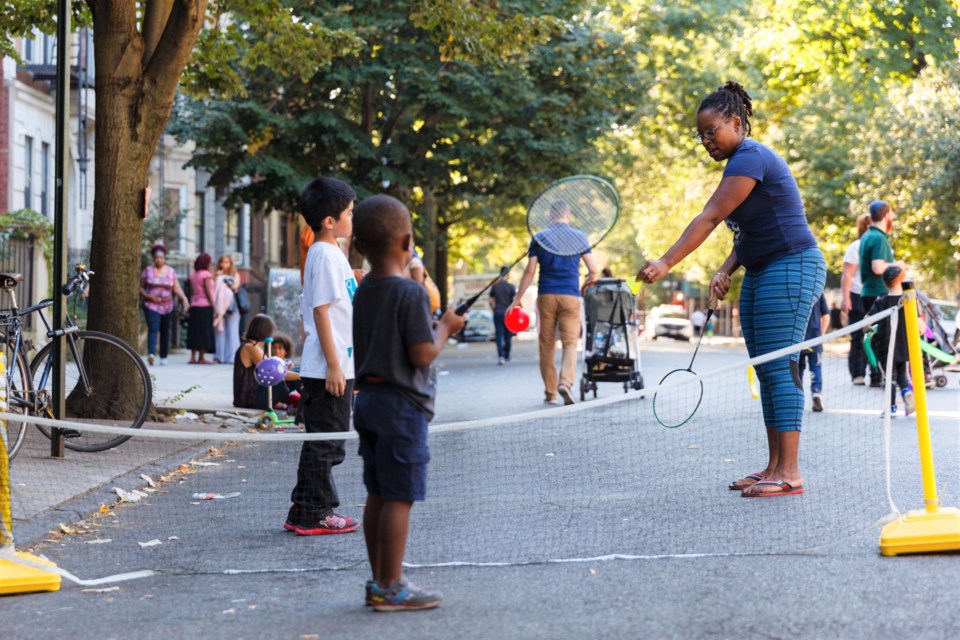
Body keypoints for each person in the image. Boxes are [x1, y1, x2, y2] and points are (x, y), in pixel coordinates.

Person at [637, 81, 825, 497]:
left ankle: (790, 472)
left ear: (736, 123)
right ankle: (773, 465)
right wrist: (725, 268)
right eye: (700, 134)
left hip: (792, 265)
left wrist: (666, 261)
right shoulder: (739, 163)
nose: (705, 140)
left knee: (780, 365)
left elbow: (709, 218)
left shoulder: (750, 156)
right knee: (765, 368)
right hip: (762, 268)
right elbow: (753, 229)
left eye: (711, 131)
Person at [350, 194, 466, 611]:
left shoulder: (364, 290)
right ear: (407, 242)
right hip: (402, 406)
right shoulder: (411, 293)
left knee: (378, 492)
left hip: (369, 401)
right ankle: (392, 587)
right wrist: (446, 327)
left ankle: (379, 581)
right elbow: (421, 353)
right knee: (400, 495)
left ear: (360, 246)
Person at [284, 176, 361, 536]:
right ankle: (317, 512)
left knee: (320, 439)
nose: (353, 217)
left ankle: (301, 508)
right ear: (329, 221)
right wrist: (334, 365)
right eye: (348, 212)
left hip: (333, 363)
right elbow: (321, 312)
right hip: (330, 366)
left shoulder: (328, 253)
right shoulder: (326, 254)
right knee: (328, 443)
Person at [510, 201, 597, 405]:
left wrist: (517, 299)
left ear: (550, 215)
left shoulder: (539, 237)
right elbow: (593, 269)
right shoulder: (579, 236)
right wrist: (583, 286)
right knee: (570, 343)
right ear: (567, 214)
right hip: (570, 294)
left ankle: (550, 392)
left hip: (546, 294)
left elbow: (530, 271)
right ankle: (565, 383)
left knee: (546, 345)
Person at [866, 266, 915, 418]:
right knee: (901, 373)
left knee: (889, 377)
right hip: (905, 344)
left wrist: (868, 329)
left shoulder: (881, 301)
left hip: (886, 345)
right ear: (902, 281)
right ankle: (906, 392)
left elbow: (867, 322)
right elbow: (919, 325)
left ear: (885, 283)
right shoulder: (909, 301)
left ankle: (891, 407)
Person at [233, 314, 300, 410]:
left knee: (297, 370)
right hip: (251, 399)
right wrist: (301, 375)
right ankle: (309, 410)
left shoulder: (250, 346)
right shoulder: (251, 348)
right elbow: (275, 372)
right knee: (298, 377)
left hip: (249, 398)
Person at [140, 244, 189, 366]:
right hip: (151, 305)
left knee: (165, 330)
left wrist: (184, 299)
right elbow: (140, 287)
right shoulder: (148, 271)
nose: (159, 260)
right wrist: (148, 295)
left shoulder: (171, 272)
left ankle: (163, 356)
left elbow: (176, 288)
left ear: (164, 258)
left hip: (167, 306)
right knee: (153, 328)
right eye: (157, 257)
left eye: (161, 257)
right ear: (153, 258)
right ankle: (151, 353)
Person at [841, 213, 871, 385]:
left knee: (876, 337)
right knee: (858, 337)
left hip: (875, 296)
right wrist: (846, 298)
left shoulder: (881, 245)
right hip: (857, 296)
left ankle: (877, 373)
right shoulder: (856, 246)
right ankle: (858, 374)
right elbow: (847, 275)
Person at [798, 294, 830, 412]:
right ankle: (816, 392)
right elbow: (826, 315)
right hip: (815, 337)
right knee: (815, 367)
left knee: (798, 369)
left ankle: (797, 396)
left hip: (798, 339)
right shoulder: (818, 292)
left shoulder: (794, 291)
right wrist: (821, 334)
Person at [187, 253, 217, 364]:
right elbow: (208, 292)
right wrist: (214, 307)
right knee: (204, 332)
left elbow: (190, 291)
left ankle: (192, 357)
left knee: (194, 331)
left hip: (194, 305)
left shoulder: (193, 275)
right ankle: (202, 357)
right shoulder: (206, 275)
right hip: (205, 306)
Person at [213, 254, 241, 364]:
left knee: (232, 331)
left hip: (231, 306)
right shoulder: (216, 275)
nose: (224, 264)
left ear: (230, 264)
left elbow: (235, 286)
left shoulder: (235, 274)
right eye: (222, 262)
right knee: (220, 332)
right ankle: (219, 356)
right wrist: (217, 277)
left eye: (226, 262)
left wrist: (224, 280)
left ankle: (233, 357)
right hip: (219, 306)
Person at [489, 270, 517, 365]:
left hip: (498, 312)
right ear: (508, 274)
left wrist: (494, 309)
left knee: (499, 335)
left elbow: (491, 301)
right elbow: (515, 301)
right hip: (508, 314)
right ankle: (507, 356)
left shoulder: (495, 286)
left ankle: (501, 357)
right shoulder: (511, 287)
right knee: (508, 336)